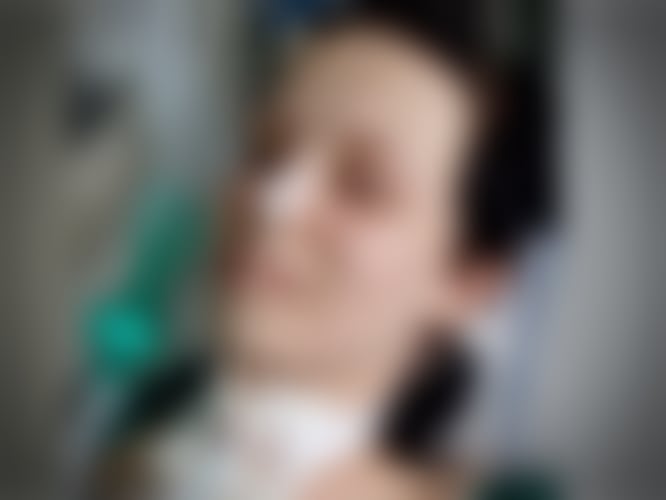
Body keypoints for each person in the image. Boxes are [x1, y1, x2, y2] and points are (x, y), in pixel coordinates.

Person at [96, 2, 550, 499]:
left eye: (362, 185)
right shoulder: (143, 416)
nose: (271, 202)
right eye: (265, 152)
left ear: (469, 282)